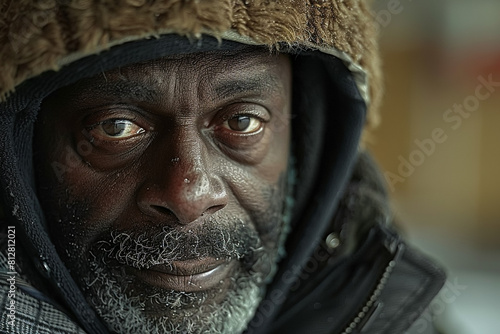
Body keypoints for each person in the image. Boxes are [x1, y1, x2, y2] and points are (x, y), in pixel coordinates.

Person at [0, 1, 446, 333]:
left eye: (242, 121)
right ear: (21, 149)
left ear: (309, 148)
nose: (189, 196)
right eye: (116, 128)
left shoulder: (399, 311)